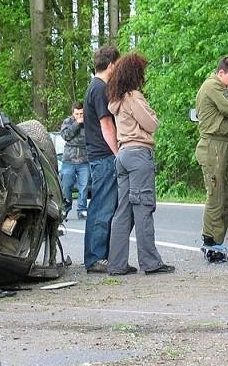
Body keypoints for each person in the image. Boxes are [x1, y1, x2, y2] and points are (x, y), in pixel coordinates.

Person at [106, 53, 175, 275]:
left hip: (123, 154)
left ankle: (116, 263)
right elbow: (152, 124)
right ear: (135, 74)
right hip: (138, 155)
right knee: (144, 208)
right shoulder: (133, 97)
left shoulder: (116, 100)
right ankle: (150, 262)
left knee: (123, 211)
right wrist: (152, 115)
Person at [195, 56, 228, 262]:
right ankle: (210, 242)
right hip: (213, 146)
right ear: (221, 73)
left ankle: (216, 239)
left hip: (222, 145)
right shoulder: (212, 85)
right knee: (216, 195)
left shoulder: (220, 88)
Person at [83, 46, 120, 273]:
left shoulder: (94, 87)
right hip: (104, 156)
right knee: (102, 208)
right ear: (111, 65)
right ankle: (96, 257)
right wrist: (118, 153)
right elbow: (106, 125)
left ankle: (99, 255)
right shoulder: (100, 89)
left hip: (99, 155)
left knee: (103, 205)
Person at [59, 102, 90, 220]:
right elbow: (66, 136)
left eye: (81, 113)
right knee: (66, 186)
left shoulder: (89, 121)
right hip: (69, 160)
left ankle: (82, 209)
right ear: (73, 113)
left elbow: (90, 138)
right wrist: (77, 123)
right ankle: (65, 209)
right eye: (77, 114)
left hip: (84, 160)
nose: (80, 116)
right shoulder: (68, 122)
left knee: (84, 186)